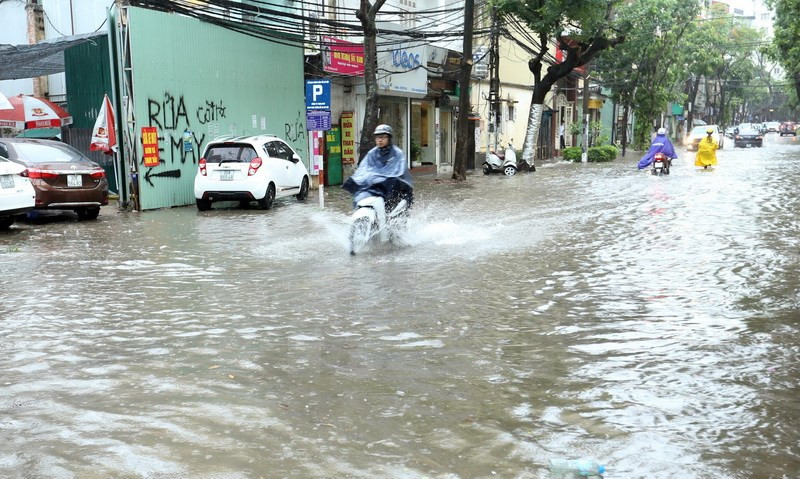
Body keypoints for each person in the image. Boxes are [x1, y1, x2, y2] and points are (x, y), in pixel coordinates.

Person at [343, 124, 413, 211]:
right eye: (378, 137)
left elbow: (398, 171)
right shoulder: (371, 153)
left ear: (389, 138)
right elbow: (363, 169)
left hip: (392, 186)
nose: (380, 140)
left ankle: (390, 212)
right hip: (375, 186)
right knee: (359, 192)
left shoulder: (397, 153)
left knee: (393, 182)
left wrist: (384, 177)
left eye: (383, 137)